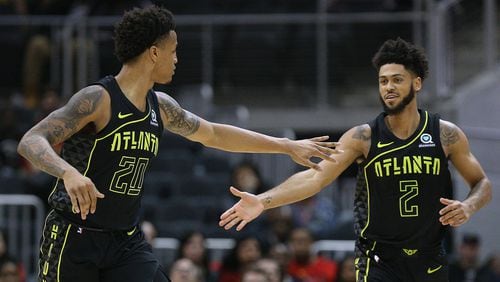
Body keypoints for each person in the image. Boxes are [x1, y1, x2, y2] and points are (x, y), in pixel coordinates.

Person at [16, 5, 339, 282]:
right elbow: (32, 140)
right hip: (75, 235)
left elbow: (214, 134)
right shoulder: (98, 99)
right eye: (173, 50)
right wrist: (67, 173)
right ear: (154, 52)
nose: (176, 59)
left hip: (124, 239)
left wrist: (286, 145)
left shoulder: (162, 106)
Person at [219, 38, 492, 282]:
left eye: (397, 79)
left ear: (417, 83)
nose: (389, 87)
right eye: (383, 81)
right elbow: (315, 176)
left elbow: (482, 183)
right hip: (378, 260)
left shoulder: (445, 134)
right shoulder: (363, 136)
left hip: (429, 258)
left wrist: (468, 206)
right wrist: (264, 201)